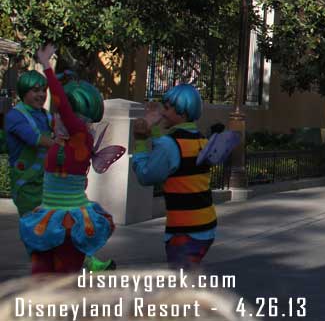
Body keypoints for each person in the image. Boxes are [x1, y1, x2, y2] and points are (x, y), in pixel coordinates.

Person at [19, 44, 116, 274]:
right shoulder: (64, 140)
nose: (55, 114)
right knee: (41, 275)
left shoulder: (79, 134)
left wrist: (47, 67)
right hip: (49, 215)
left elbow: (61, 102)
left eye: (60, 112)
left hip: (67, 221)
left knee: (63, 277)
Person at [131, 84, 217, 269]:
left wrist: (139, 142)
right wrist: (153, 130)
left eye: (168, 108)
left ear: (182, 112)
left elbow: (147, 175)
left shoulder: (170, 144)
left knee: (181, 285)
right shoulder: (201, 140)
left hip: (185, 231)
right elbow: (167, 154)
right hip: (206, 226)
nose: (163, 113)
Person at [4, 71, 56, 216]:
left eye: (44, 90)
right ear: (24, 92)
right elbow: (35, 138)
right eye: (35, 90)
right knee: (34, 228)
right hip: (26, 185)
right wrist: (63, 146)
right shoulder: (14, 116)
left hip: (47, 181)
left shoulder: (46, 115)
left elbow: (63, 130)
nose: (41, 95)